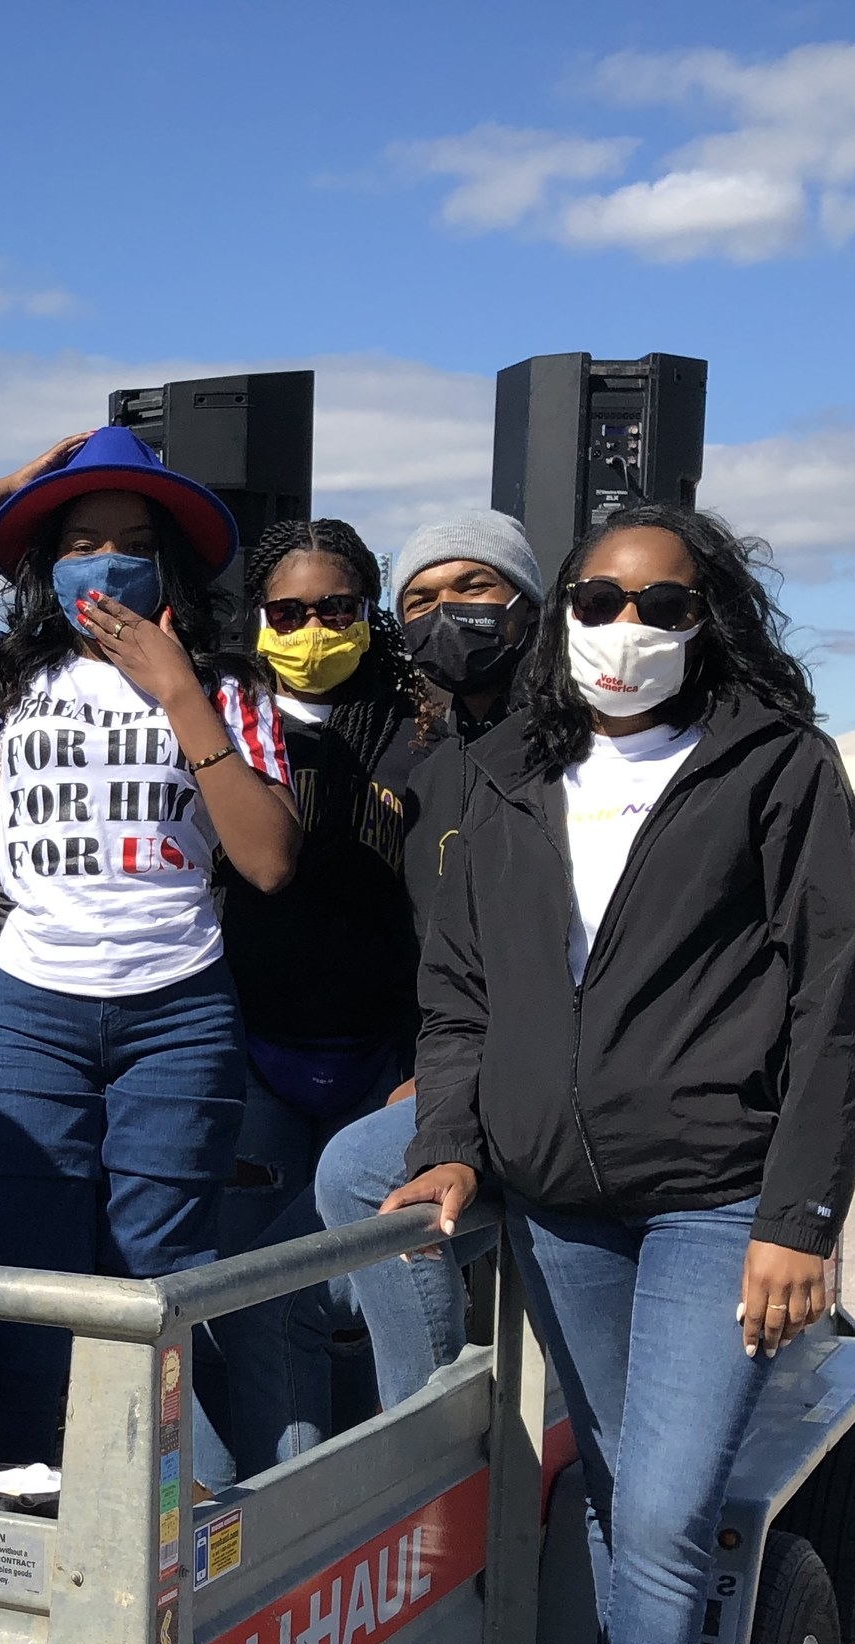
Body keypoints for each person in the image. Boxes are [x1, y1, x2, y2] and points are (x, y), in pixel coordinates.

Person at [382, 502, 855, 1644]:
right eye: (596, 597)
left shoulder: (777, 768)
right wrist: (450, 1145)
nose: (621, 625)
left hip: (712, 1200)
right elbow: (460, 1000)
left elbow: (829, 1012)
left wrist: (799, 1218)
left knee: (662, 1504)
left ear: (709, 613)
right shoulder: (515, 780)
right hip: (558, 1202)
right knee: (606, 1489)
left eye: (660, 601)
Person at [0, 428, 297, 1471]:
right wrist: (11, 486)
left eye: (130, 539)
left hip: (178, 1011)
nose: (104, 558)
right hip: (32, 1012)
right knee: (20, 1292)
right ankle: (24, 1520)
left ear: (169, 561)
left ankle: (159, 1532)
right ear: (48, 567)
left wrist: (180, 691)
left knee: (156, 1290)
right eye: (79, 540)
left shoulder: (229, 690)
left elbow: (268, 861)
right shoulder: (0, 675)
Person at [294, 511, 549, 1428]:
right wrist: (432, 1077)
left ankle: (426, 1442)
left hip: (567, 1077)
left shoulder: (581, 751)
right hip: (461, 1070)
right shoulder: (433, 774)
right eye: (422, 599)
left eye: (472, 587)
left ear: (527, 600)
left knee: (358, 1175)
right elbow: (442, 957)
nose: (448, 612)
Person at [198, 518, 437, 1471]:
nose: (309, 628)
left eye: (334, 609)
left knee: (363, 1297)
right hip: (257, 1058)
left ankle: (392, 1499)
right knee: (252, 1305)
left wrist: (427, 1067)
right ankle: (275, 1516)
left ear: (368, 615)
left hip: (384, 1065)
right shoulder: (219, 722)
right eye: (286, 612)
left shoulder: (426, 728)